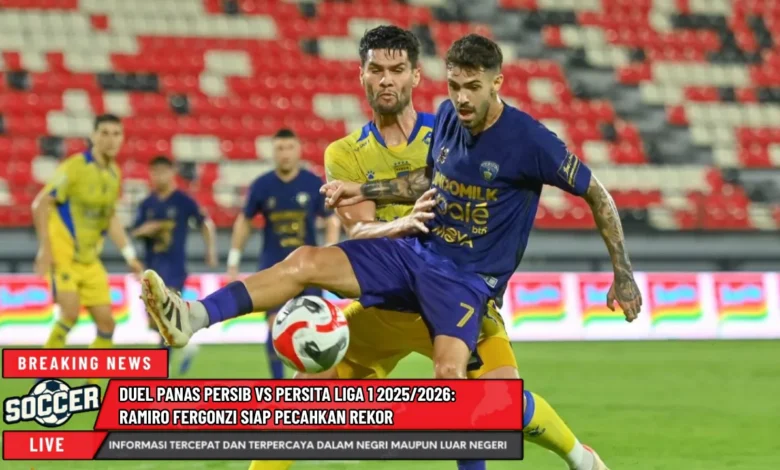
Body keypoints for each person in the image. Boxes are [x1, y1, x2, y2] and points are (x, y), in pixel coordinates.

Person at [142, 34, 642, 469]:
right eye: (454, 86)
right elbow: (420, 187)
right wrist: (367, 193)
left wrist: (622, 274)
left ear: (495, 83)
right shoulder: (372, 144)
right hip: (406, 270)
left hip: (464, 286)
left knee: (486, 403)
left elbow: (597, 194)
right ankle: (193, 315)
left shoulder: (525, 139)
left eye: (472, 86)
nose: (461, 97)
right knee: (306, 287)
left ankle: (581, 458)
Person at [33, 114, 143, 385]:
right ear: (93, 136)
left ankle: (91, 389)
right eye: (104, 133)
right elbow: (41, 203)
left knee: (107, 324)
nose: (110, 139)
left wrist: (130, 255)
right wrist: (45, 249)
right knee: (70, 313)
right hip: (64, 255)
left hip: (90, 260)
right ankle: (43, 380)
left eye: (116, 133)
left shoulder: (114, 174)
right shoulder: (75, 167)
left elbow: (110, 218)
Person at [225, 128, 341, 379]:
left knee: (315, 329)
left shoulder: (312, 183)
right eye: (280, 148)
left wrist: (331, 249)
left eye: (289, 148)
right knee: (275, 326)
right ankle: (279, 385)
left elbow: (331, 219)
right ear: (273, 152)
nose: (285, 153)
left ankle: (310, 385)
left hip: (309, 269)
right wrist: (234, 260)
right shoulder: (262, 185)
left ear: (298, 150)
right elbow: (244, 221)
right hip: (274, 268)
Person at [132, 155, 217, 374]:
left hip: (174, 268)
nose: (158, 176)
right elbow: (135, 231)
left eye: (163, 171)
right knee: (155, 322)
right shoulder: (147, 204)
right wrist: (146, 230)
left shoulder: (183, 201)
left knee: (163, 314)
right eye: (155, 172)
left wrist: (210, 250)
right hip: (152, 267)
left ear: (171, 173)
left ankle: (164, 367)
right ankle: (187, 347)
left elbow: (205, 223)